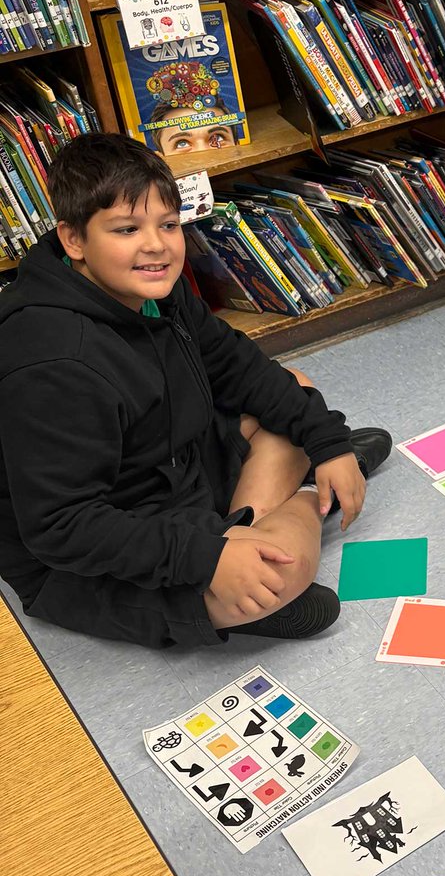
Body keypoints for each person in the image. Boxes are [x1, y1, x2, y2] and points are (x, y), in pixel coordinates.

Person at [0, 134, 391, 648]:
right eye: (126, 229)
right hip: (98, 551)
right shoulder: (53, 361)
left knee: (294, 389)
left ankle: (255, 536)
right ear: (74, 240)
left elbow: (235, 365)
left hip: (174, 467)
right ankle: (305, 507)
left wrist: (329, 442)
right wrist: (206, 556)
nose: (156, 245)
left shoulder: (154, 282)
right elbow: (62, 527)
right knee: (281, 577)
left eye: (168, 224)